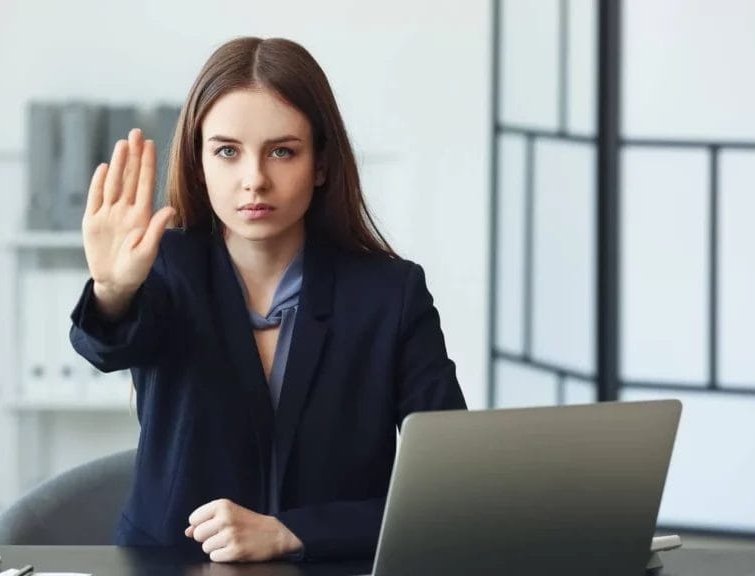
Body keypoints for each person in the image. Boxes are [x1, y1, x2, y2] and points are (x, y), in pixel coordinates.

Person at [69, 36, 466, 563]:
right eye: (227, 152)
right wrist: (114, 290)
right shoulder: (164, 269)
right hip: (169, 564)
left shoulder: (390, 295)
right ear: (199, 161)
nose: (254, 180)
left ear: (320, 165)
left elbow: (448, 488)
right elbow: (107, 347)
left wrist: (292, 532)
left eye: (282, 151)